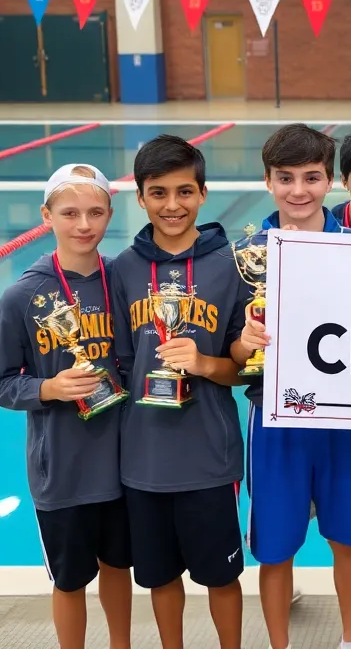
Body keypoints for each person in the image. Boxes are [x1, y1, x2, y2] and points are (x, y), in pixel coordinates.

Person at [233, 123, 351, 649]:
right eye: (285, 178)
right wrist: (245, 341)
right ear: (268, 181)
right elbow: (233, 356)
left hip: (343, 421)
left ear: (330, 182)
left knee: (349, 540)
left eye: (311, 177)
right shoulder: (244, 255)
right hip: (276, 420)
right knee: (275, 549)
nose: (299, 190)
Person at [0, 164, 132, 649]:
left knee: (119, 567)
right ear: (47, 216)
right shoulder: (21, 296)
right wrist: (47, 389)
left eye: (95, 213)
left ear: (110, 215)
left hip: (125, 463)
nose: (83, 224)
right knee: (70, 579)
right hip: (62, 471)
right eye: (69, 213)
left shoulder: (125, 281)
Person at [109, 135, 247, 649]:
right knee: (160, 578)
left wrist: (206, 363)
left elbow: (244, 370)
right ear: (140, 197)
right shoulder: (122, 270)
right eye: (159, 192)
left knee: (221, 577)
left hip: (209, 457)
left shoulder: (232, 266)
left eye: (185, 191)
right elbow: (120, 365)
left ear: (203, 193)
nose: (172, 205)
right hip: (143, 459)